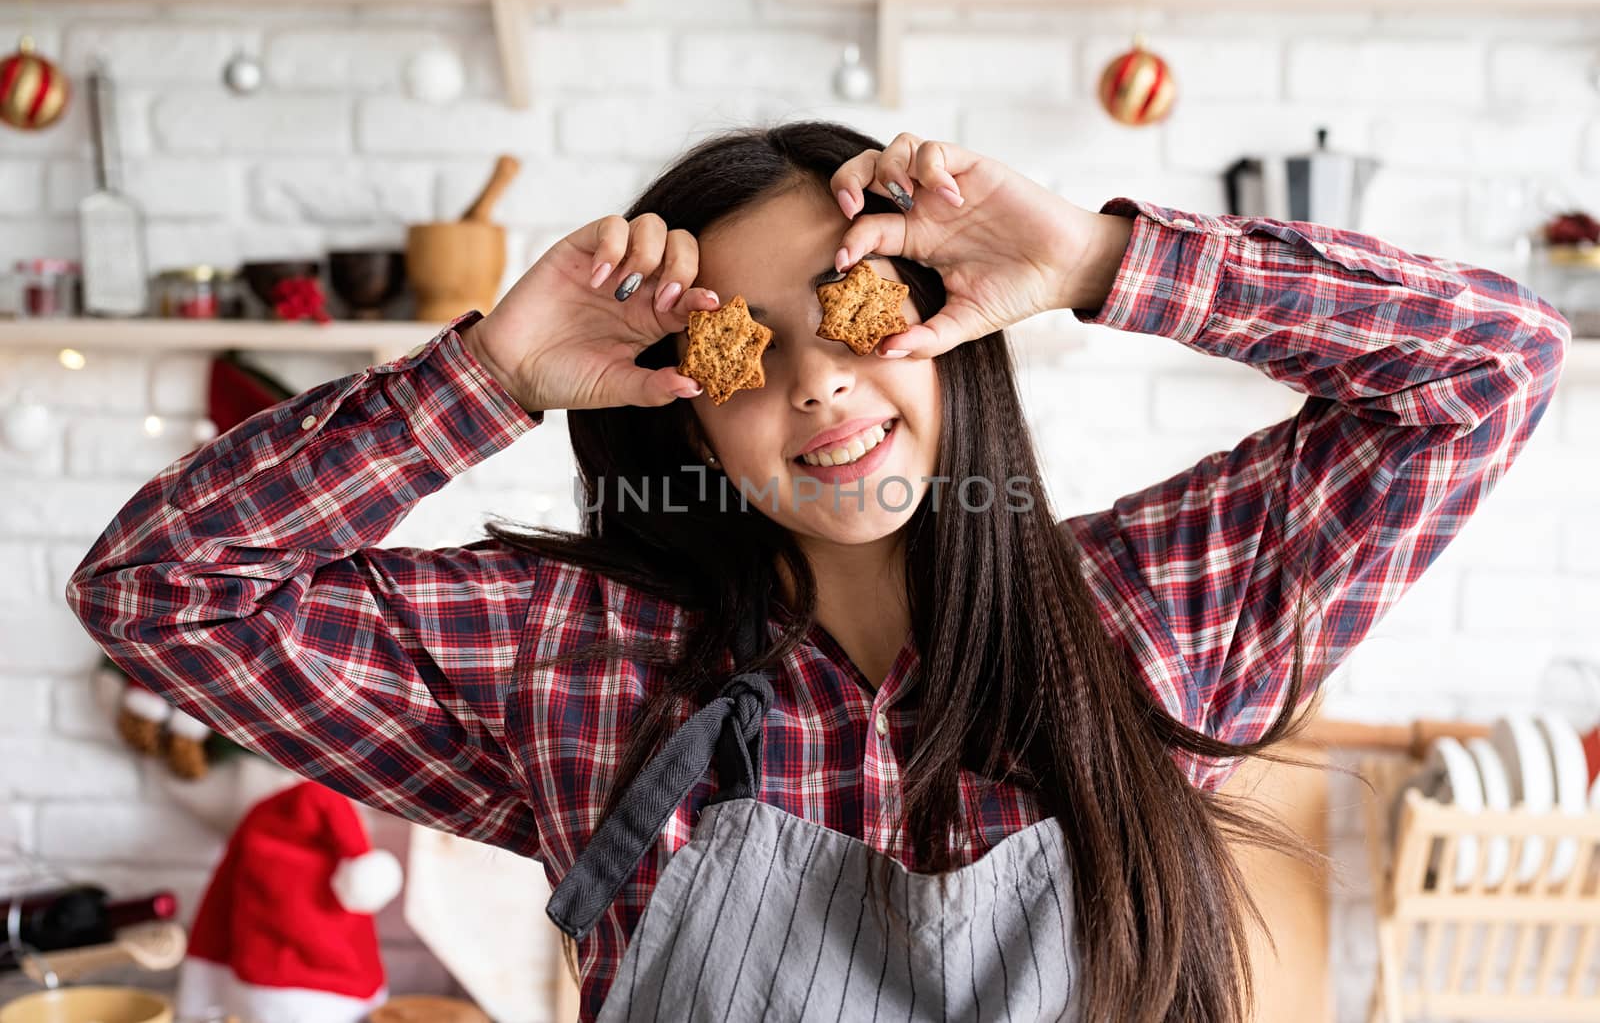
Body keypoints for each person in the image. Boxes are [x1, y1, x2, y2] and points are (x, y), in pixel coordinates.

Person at [66, 122, 1569, 1023]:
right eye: (747, 353)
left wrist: (1103, 258)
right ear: (684, 399)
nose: (820, 388)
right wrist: (496, 372)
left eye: (856, 315)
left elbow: (1493, 367)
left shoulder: (1158, 610)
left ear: (949, 321)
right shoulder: (576, 660)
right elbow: (158, 590)